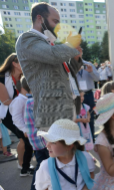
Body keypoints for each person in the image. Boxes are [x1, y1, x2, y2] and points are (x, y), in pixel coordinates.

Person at [15, 2, 83, 130]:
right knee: (59, 150)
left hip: (64, 110)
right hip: (51, 115)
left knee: (69, 150)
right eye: (55, 21)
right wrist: (70, 45)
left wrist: (75, 58)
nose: (58, 27)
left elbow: (67, 74)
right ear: (40, 18)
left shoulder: (49, 45)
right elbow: (53, 55)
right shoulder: (27, 39)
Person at [35, 119, 110, 190]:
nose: (47, 145)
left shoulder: (85, 158)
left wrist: (86, 189)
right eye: (47, 140)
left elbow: (90, 174)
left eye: (53, 142)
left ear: (69, 146)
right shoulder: (45, 166)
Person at [0, 53, 26, 169]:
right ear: (14, 64)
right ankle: (21, 165)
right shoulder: (1, 78)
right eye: (22, 61)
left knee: (27, 138)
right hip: (7, 114)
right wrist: (25, 100)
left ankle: (25, 162)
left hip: (21, 110)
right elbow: (5, 101)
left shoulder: (24, 77)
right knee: (23, 139)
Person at [24, 92, 49, 190]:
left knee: (41, 166)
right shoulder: (40, 100)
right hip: (45, 141)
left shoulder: (29, 101)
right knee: (52, 166)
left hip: (36, 141)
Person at [9, 77, 34, 177]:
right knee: (29, 147)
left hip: (25, 128)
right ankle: (25, 169)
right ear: (24, 88)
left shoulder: (25, 99)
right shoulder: (19, 100)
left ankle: (25, 168)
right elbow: (16, 118)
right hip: (22, 128)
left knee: (29, 147)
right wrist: (25, 130)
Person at [76, 60, 99, 142]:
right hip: (76, 96)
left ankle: (91, 138)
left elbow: (98, 78)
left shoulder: (88, 64)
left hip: (88, 95)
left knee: (90, 117)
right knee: (78, 117)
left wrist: (91, 72)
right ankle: (80, 140)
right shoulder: (69, 65)